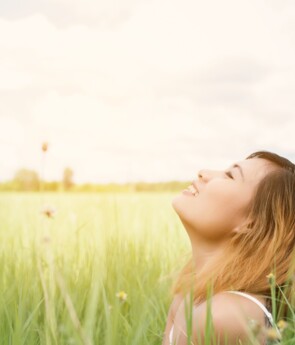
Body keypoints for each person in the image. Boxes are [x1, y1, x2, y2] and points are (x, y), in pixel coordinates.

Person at [162, 150, 295, 345]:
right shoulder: (188, 296)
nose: (203, 172)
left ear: (253, 224)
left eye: (230, 175)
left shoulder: (223, 316)